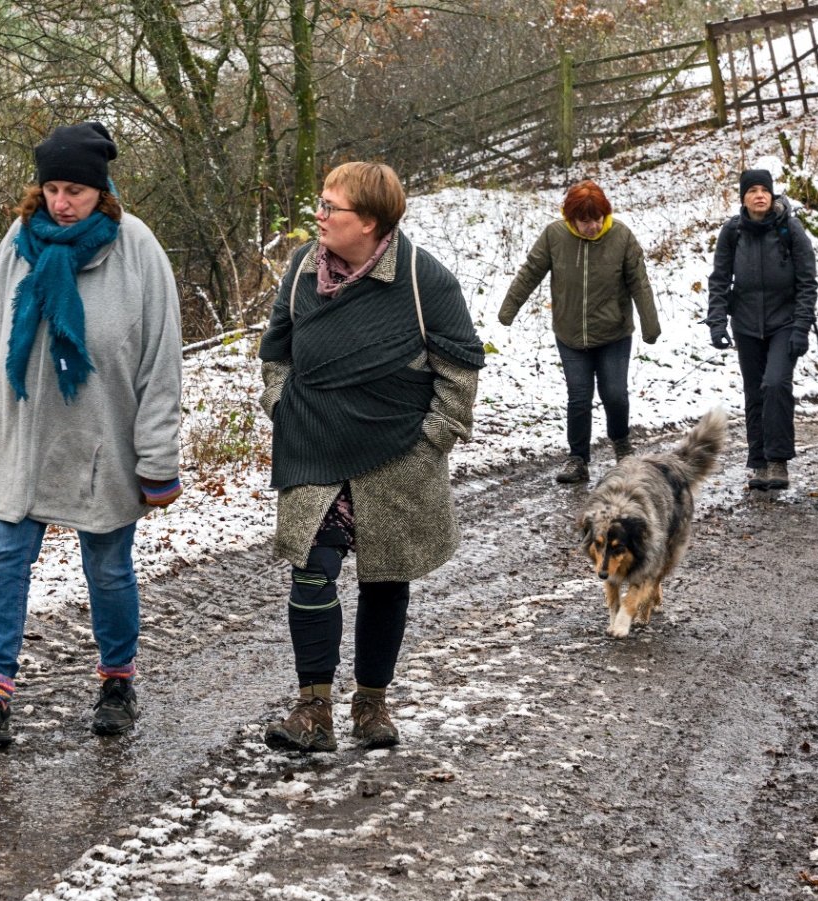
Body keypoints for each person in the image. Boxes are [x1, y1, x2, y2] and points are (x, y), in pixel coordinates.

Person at [0, 121, 183, 745]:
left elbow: (161, 365)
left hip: (102, 440)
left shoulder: (137, 251)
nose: (62, 202)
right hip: (22, 435)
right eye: (52, 188)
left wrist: (157, 457)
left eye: (75, 189)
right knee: (4, 560)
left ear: (101, 191)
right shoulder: (18, 245)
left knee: (107, 570)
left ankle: (117, 684)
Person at [258, 162, 485, 753]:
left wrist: (432, 439)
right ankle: (313, 710)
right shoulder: (303, 269)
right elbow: (277, 347)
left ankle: (371, 705)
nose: (320, 215)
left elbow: (460, 366)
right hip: (313, 446)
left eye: (332, 207)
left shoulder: (421, 277)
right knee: (312, 569)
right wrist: (280, 402)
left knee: (386, 577)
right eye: (321, 202)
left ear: (371, 222)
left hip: (396, 457)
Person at [498, 180, 661, 484]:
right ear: (571, 217)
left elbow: (639, 282)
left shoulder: (621, 236)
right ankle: (578, 459)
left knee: (614, 394)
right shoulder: (554, 236)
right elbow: (530, 272)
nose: (593, 226)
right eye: (585, 220)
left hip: (613, 333)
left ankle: (622, 446)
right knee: (579, 396)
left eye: (597, 218)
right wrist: (508, 310)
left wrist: (650, 324)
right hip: (570, 334)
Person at [706, 167, 818, 491]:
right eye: (752, 190)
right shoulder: (733, 232)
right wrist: (716, 321)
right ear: (743, 197)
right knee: (754, 391)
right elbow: (719, 279)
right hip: (746, 324)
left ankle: (778, 460)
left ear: (772, 195)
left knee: (775, 383)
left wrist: (801, 327)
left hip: (784, 322)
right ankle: (758, 463)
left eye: (764, 190)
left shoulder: (790, 230)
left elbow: (807, 282)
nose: (759, 195)